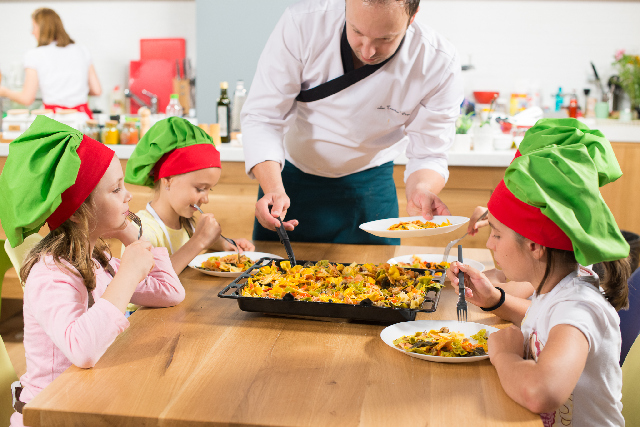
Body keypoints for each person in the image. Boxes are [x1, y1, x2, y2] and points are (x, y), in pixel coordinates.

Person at [0, 116, 185, 427]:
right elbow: (82, 349)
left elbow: (171, 293)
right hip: (52, 414)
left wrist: (134, 239)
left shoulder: (97, 259)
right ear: (79, 211)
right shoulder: (51, 273)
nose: (128, 195)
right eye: (116, 189)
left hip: (91, 399)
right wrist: (128, 274)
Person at [446, 118, 630, 426]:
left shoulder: (578, 308)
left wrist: (504, 357)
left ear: (535, 246)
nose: (489, 242)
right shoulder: (558, 284)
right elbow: (541, 322)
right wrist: (494, 300)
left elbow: (540, 392)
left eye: (497, 234)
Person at [241, 0, 464, 244]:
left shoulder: (436, 62)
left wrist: (422, 189)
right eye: (357, 31)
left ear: (412, 16)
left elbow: (429, 153)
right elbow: (263, 116)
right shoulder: (303, 24)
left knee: (382, 280)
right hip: (289, 180)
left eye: (385, 39)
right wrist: (273, 188)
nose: (368, 51)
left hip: (370, 186)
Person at [124, 117, 254, 274]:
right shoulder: (142, 231)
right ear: (168, 180)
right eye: (200, 189)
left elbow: (188, 242)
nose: (205, 199)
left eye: (209, 190)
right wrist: (198, 241)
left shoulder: (185, 224)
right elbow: (150, 281)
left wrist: (224, 244)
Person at [0, 8, 101, 118]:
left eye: (34, 27)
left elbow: (27, 98)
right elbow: (96, 90)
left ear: (43, 28)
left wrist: (4, 92)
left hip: (53, 120)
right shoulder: (81, 50)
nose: (32, 32)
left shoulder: (34, 55)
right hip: (81, 118)